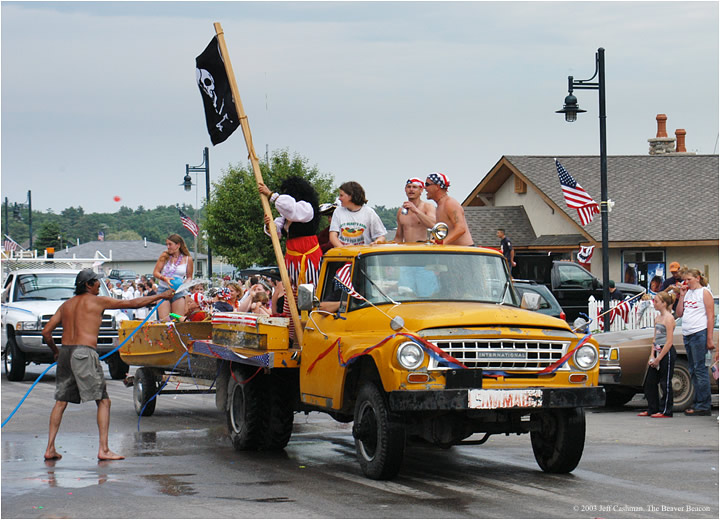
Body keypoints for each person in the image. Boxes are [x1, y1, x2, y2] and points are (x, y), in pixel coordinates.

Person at [41, 269, 174, 461]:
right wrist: (161, 295)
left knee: (61, 402)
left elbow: (46, 332)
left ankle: (50, 448)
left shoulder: (66, 305)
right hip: (84, 353)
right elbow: (133, 303)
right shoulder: (98, 301)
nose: (98, 286)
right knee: (103, 401)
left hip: (66, 353)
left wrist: (55, 351)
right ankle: (103, 449)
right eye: (96, 282)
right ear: (88, 285)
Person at [259, 176, 324, 340]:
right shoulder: (286, 217)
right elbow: (277, 232)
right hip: (292, 258)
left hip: (308, 257)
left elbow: (292, 209)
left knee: (310, 294)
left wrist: (271, 195)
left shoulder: (306, 208)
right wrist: (269, 225)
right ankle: (293, 335)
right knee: (291, 294)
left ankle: (312, 332)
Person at [675, 268, 715, 416]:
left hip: (700, 332)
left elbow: (711, 316)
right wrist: (681, 296)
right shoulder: (688, 293)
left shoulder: (704, 292)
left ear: (697, 278)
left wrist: (709, 338)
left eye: (689, 280)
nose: (687, 283)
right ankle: (698, 400)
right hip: (688, 333)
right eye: (685, 280)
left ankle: (704, 404)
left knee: (700, 369)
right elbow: (679, 313)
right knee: (692, 369)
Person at [638, 290, 677, 418]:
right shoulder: (657, 318)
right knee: (650, 381)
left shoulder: (669, 318)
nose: (654, 304)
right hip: (657, 350)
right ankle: (652, 407)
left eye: (657, 302)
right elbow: (655, 338)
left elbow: (669, 341)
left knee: (665, 381)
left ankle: (666, 410)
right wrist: (652, 355)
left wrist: (659, 358)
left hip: (666, 352)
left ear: (664, 303)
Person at [329, 181, 387, 247]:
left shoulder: (369, 213)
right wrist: (343, 249)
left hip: (363, 254)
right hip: (343, 254)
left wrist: (376, 242)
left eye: (341, 195)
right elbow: (333, 236)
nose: (339, 198)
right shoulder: (338, 211)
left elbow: (381, 236)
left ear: (351, 196)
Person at [424, 172, 473, 246]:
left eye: (427, 184)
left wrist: (442, 244)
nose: (425, 187)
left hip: (464, 252)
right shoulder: (440, 205)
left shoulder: (450, 203)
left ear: (437, 187)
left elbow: (461, 228)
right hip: (453, 252)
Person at [153, 234, 194, 321]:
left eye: (170, 244)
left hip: (178, 291)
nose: (168, 247)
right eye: (167, 244)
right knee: (165, 320)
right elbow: (155, 272)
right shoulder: (165, 256)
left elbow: (189, 277)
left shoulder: (188, 259)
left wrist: (184, 285)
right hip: (164, 289)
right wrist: (164, 278)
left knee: (178, 319)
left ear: (178, 245)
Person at [395, 178, 436, 243]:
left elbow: (433, 225)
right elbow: (398, 237)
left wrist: (415, 210)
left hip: (422, 248)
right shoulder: (401, 211)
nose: (411, 189)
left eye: (414, 187)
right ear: (405, 190)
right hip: (406, 249)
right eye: (409, 187)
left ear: (421, 190)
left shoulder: (427, 207)